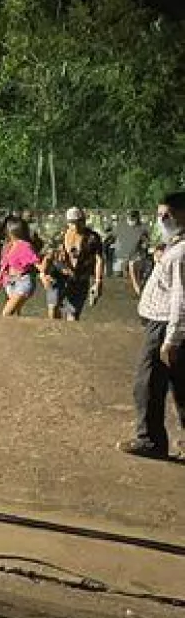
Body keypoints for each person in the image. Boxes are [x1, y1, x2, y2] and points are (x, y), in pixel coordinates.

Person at [120, 192, 185, 460]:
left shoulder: (181, 252)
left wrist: (171, 338)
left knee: (147, 383)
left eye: (167, 214)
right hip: (164, 325)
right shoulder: (175, 245)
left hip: (165, 327)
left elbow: (181, 298)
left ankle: (150, 440)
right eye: (159, 214)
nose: (162, 219)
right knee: (181, 385)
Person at [41, 207, 104, 321]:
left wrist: (98, 282)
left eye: (79, 221)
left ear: (83, 221)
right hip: (58, 275)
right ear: (68, 222)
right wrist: (43, 274)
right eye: (72, 222)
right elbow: (47, 257)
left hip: (80, 278)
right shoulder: (59, 236)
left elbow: (99, 259)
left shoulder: (92, 238)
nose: (76, 226)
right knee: (53, 307)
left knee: (73, 315)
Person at [0, 217, 40, 317]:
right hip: (10, 282)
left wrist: (43, 275)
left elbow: (36, 262)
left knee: (6, 313)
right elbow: (4, 267)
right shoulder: (7, 246)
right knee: (15, 314)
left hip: (23, 281)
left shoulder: (25, 246)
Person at [113, 211, 148, 279]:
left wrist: (144, 246)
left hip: (135, 257)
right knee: (117, 275)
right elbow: (115, 238)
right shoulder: (120, 226)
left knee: (136, 275)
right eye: (130, 217)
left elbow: (145, 243)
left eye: (133, 217)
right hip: (121, 256)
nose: (131, 219)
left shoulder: (142, 229)